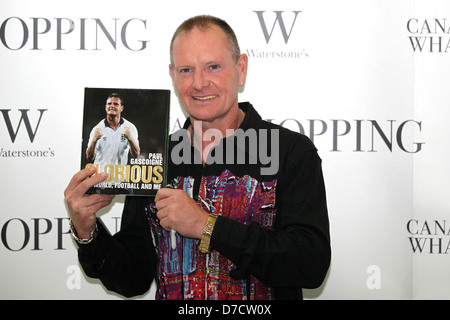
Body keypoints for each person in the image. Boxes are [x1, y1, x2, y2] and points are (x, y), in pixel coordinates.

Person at [64, 15, 331, 300]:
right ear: (173, 75)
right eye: (187, 70)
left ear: (241, 69)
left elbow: (310, 264)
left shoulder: (289, 151)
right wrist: (87, 230)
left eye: (213, 67)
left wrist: (207, 226)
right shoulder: (157, 158)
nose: (199, 83)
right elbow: (133, 278)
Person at [85, 92, 140, 175]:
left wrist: (130, 138)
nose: (112, 106)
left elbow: (136, 155)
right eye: (109, 104)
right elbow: (89, 157)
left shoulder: (130, 127)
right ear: (105, 107)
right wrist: (94, 140)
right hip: (100, 179)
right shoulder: (97, 129)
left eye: (116, 104)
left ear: (121, 108)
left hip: (120, 180)